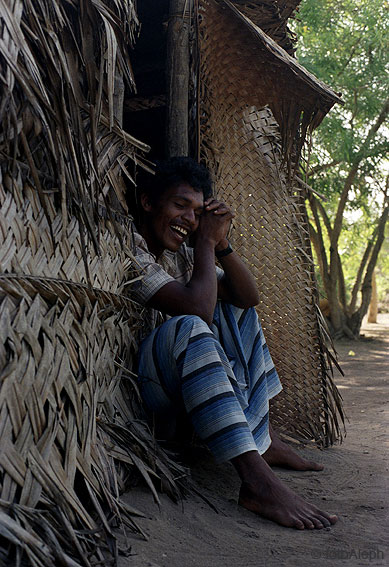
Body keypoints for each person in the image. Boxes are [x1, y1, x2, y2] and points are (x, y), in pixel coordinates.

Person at [130, 157, 338, 530]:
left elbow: (248, 296)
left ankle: (265, 436)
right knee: (192, 326)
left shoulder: (185, 256)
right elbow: (197, 311)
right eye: (180, 206)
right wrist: (206, 242)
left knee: (239, 311)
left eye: (197, 212)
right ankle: (257, 482)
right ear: (148, 202)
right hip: (145, 389)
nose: (189, 220)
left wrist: (221, 243)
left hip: (191, 388)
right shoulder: (128, 248)